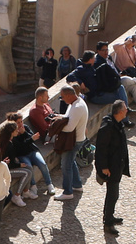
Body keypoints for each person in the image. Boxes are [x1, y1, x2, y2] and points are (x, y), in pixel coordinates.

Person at [94, 100, 131, 234]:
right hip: (111, 167)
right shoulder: (109, 126)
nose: (127, 111)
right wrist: (103, 167)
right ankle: (108, 222)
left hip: (117, 165)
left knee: (113, 194)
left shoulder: (117, 123)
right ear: (120, 112)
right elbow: (101, 148)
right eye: (125, 109)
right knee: (112, 194)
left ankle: (109, 216)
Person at [51, 83, 89, 200]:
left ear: (68, 96)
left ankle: (68, 192)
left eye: (62, 97)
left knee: (65, 165)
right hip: (77, 139)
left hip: (74, 141)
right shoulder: (75, 104)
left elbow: (69, 127)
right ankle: (77, 185)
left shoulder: (77, 107)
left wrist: (56, 126)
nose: (62, 99)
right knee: (71, 162)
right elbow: (68, 117)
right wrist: (59, 117)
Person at [3, 113, 52, 201]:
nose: (21, 124)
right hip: (22, 154)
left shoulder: (25, 128)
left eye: (21, 121)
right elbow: (21, 146)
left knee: (42, 164)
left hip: (32, 151)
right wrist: (29, 139)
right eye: (18, 122)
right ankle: (33, 186)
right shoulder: (13, 135)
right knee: (28, 167)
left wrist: (24, 133)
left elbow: (33, 138)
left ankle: (49, 184)